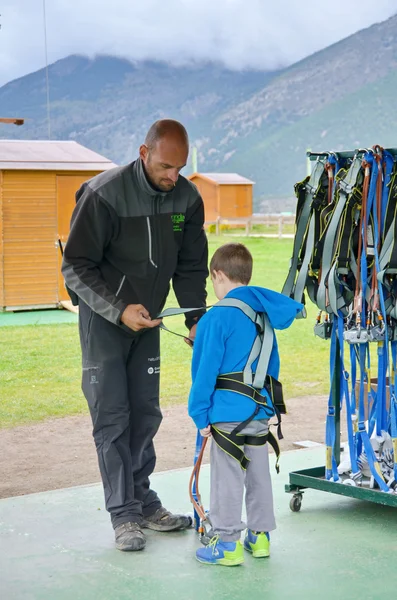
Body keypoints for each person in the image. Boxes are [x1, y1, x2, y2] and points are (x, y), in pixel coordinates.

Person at [62, 119, 208, 552]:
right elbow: (76, 266)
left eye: (180, 168)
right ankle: (123, 515)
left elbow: (190, 264)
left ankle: (143, 502)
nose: (173, 176)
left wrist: (195, 318)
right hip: (105, 322)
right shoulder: (102, 194)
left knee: (146, 413)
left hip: (150, 321)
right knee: (113, 417)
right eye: (165, 166)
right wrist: (117, 309)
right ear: (143, 153)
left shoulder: (186, 197)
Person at [188, 243, 301, 566]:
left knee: (227, 477)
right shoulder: (263, 315)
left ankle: (227, 544)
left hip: (225, 415)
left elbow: (204, 373)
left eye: (213, 282)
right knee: (258, 475)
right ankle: (259, 537)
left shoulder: (216, 318)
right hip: (259, 411)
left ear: (218, 274)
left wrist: (199, 414)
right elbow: (270, 367)